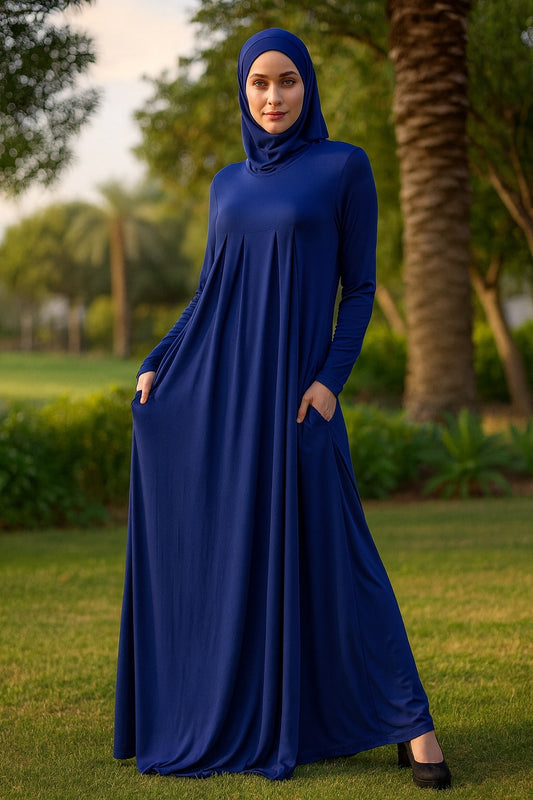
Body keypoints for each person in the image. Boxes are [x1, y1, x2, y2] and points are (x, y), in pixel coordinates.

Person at [114, 28, 451, 790]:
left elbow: (358, 288)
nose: (272, 97)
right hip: (227, 398)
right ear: (243, 89)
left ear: (309, 88)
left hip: (300, 403)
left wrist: (330, 379)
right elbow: (212, 290)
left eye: (287, 82)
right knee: (250, 557)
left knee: (343, 556)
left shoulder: (342, 167)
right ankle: (260, 710)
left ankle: (412, 723)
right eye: (259, 83)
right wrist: (158, 361)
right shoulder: (226, 184)